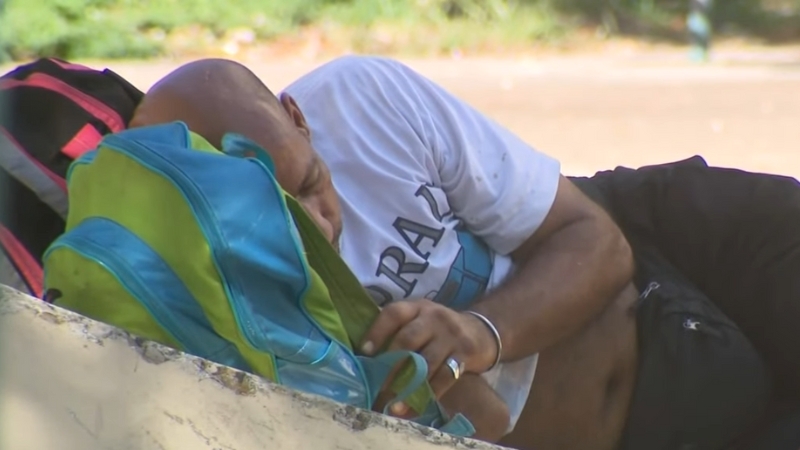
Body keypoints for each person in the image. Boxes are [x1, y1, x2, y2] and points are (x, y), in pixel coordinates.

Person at [128, 56, 773, 449]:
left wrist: (480, 333)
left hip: (685, 331)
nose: (318, 230)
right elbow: (487, 421)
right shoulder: (220, 305)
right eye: (276, 225)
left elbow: (598, 242)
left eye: (309, 185)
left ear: (298, 117)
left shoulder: (364, 103)